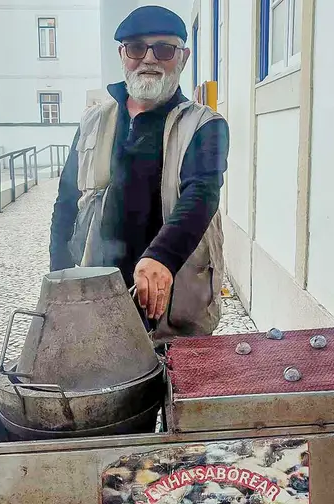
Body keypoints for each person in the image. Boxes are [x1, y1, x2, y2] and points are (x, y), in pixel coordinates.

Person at [49, 6, 229, 338]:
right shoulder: (93, 121)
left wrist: (161, 257)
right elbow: (66, 202)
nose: (149, 59)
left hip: (174, 293)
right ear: (122, 54)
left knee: (172, 384)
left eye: (164, 49)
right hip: (100, 291)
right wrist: (58, 282)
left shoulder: (205, 125)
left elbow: (202, 194)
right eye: (136, 48)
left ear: (183, 57)